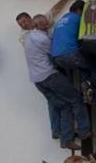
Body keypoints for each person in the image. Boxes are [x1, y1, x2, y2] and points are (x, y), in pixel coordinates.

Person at [24, 14, 91, 150]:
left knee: (63, 105)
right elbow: (57, 52)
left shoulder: (28, 38)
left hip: (37, 80)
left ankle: (63, 137)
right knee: (76, 99)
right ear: (43, 25)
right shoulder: (43, 39)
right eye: (46, 23)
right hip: (50, 76)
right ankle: (84, 131)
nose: (48, 25)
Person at [51, 0, 90, 79]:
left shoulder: (61, 20)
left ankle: (85, 87)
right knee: (94, 66)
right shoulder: (78, 18)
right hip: (71, 55)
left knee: (78, 72)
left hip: (56, 58)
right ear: (79, 10)